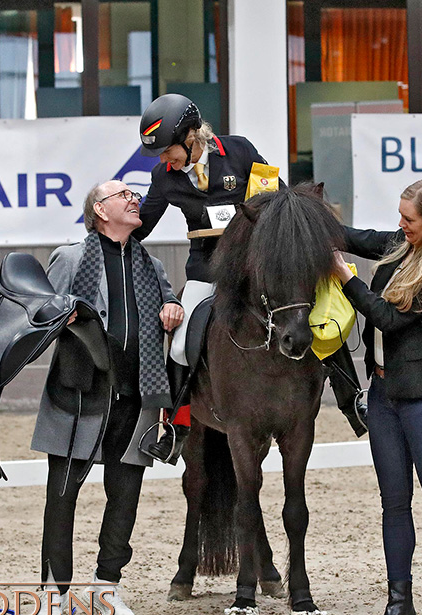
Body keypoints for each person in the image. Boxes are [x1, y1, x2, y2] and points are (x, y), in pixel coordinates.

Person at [134, 93, 366, 462]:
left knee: (320, 313)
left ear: (191, 134)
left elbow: (281, 201)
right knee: (178, 346)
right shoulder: (164, 177)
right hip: (208, 270)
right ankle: (175, 427)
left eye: (167, 151)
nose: (164, 160)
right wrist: (111, 228)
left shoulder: (239, 152)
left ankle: (351, 397)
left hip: (257, 265)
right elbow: (142, 225)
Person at [30, 179, 184, 615]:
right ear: (100, 210)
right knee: (62, 495)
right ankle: (52, 593)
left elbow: (166, 301)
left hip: (137, 395)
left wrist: (172, 306)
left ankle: (106, 586)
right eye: (124, 195)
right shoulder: (71, 258)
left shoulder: (151, 265)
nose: (135, 199)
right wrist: (62, 312)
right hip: (79, 394)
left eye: (135, 195)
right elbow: (41, 314)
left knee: (125, 495)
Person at [332, 178, 422, 615]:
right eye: (401, 217)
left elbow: (388, 317)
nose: (401, 225)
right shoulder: (399, 243)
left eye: (410, 219)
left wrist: (346, 279)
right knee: (394, 503)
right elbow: (351, 236)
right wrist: (310, 215)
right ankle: (400, 603)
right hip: (385, 393)